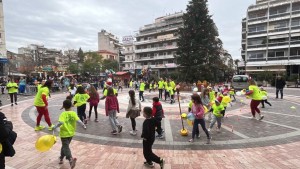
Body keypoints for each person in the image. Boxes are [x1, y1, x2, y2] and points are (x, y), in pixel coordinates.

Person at [53, 99, 86, 168]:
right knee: (65, 146)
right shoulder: (73, 113)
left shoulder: (63, 114)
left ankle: (70, 159)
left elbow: (61, 122)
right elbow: (78, 120)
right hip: (71, 133)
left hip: (64, 133)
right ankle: (61, 158)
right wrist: (83, 125)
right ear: (71, 105)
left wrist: (55, 127)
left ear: (63, 106)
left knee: (66, 146)